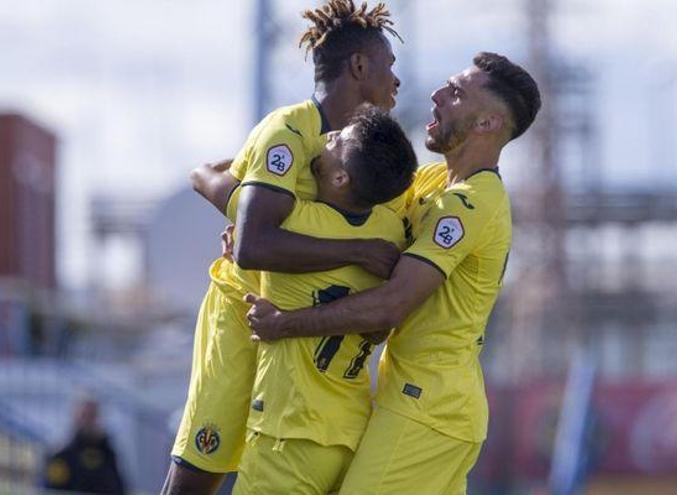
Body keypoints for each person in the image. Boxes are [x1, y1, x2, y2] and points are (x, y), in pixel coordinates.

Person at [245, 52, 541, 494]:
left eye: (456, 93)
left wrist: (285, 324)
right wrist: (255, 221)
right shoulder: (433, 184)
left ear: (487, 125)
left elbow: (391, 304)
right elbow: (350, 197)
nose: (437, 96)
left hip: (430, 408)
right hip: (419, 401)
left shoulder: (473, 203)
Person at [162, 2, 404, 493]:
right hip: (243, 317)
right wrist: (242, 211)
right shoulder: (290, 132)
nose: (396, 79)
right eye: (389, 65)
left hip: (302, 340)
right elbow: (249, 239)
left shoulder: (374, 156)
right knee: (201, 468)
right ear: (359, 66)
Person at [232, 107, 416, 494]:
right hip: (349, 430)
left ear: (340, 177)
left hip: (290, 428)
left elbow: (214, 185)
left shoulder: (296, 222)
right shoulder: (390, 232)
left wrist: (208, 173)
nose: (327, 138)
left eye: (336, 140)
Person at [43, 397, 126, 494]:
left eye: (93, 415)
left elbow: (119, 488)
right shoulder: (62, 456)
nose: (89, 421)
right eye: (84, 415)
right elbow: (53, 490)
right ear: (75, 416)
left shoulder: (108, 453)